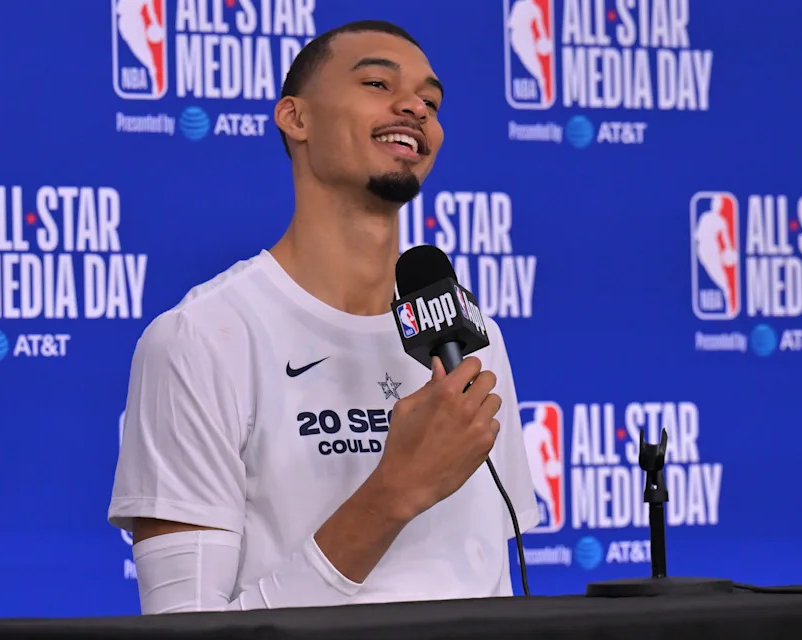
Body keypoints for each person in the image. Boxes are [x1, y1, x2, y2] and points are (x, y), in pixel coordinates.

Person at [107, 19, 539, 614]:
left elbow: (487, 578)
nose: (414, 106)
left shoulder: (472, 340)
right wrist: (392, 493)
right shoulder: (201, 338)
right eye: (376, 84)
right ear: (296, 118)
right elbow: (184, 629)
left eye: (431, 101)